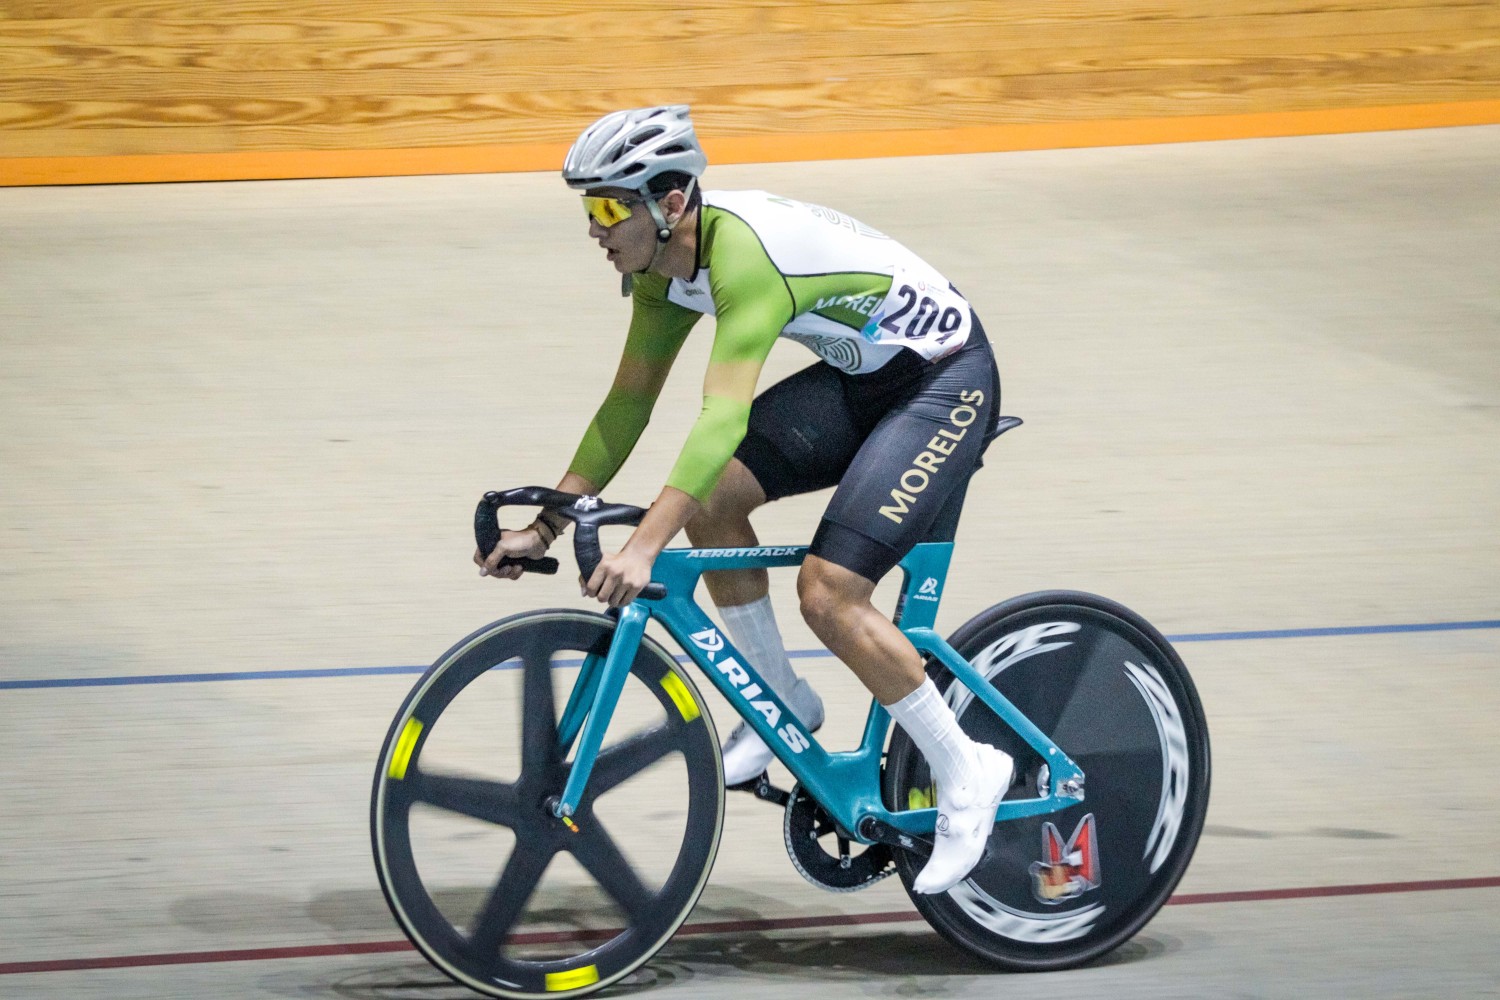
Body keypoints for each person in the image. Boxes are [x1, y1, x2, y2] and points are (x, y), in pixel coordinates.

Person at [476, 105, 1012, 895]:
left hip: (943, 379)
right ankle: (782, 699)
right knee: (710, 501)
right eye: (588, 209)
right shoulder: (660, 270)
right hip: (865, 378)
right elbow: (627, 407)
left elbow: (721, 416)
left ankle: (969, 768)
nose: (594, 229)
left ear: (672, 203)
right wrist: (546, 524)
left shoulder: (744, 261)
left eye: (607, 209)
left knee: (829, 594)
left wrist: (643, 547)